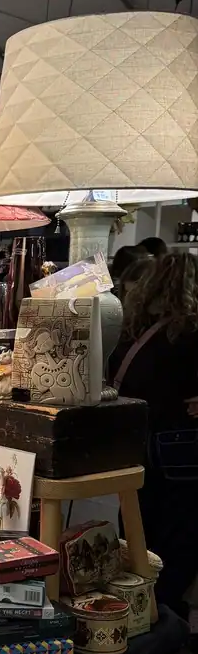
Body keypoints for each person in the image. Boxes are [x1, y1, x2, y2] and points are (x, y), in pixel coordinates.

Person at [109, 253, 198, 617]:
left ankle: (134, 604)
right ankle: (166, 610)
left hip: (135, 441)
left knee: (137, 524)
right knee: (182, 529)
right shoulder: (191, 332)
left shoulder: (133, 331)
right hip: (182, 442)